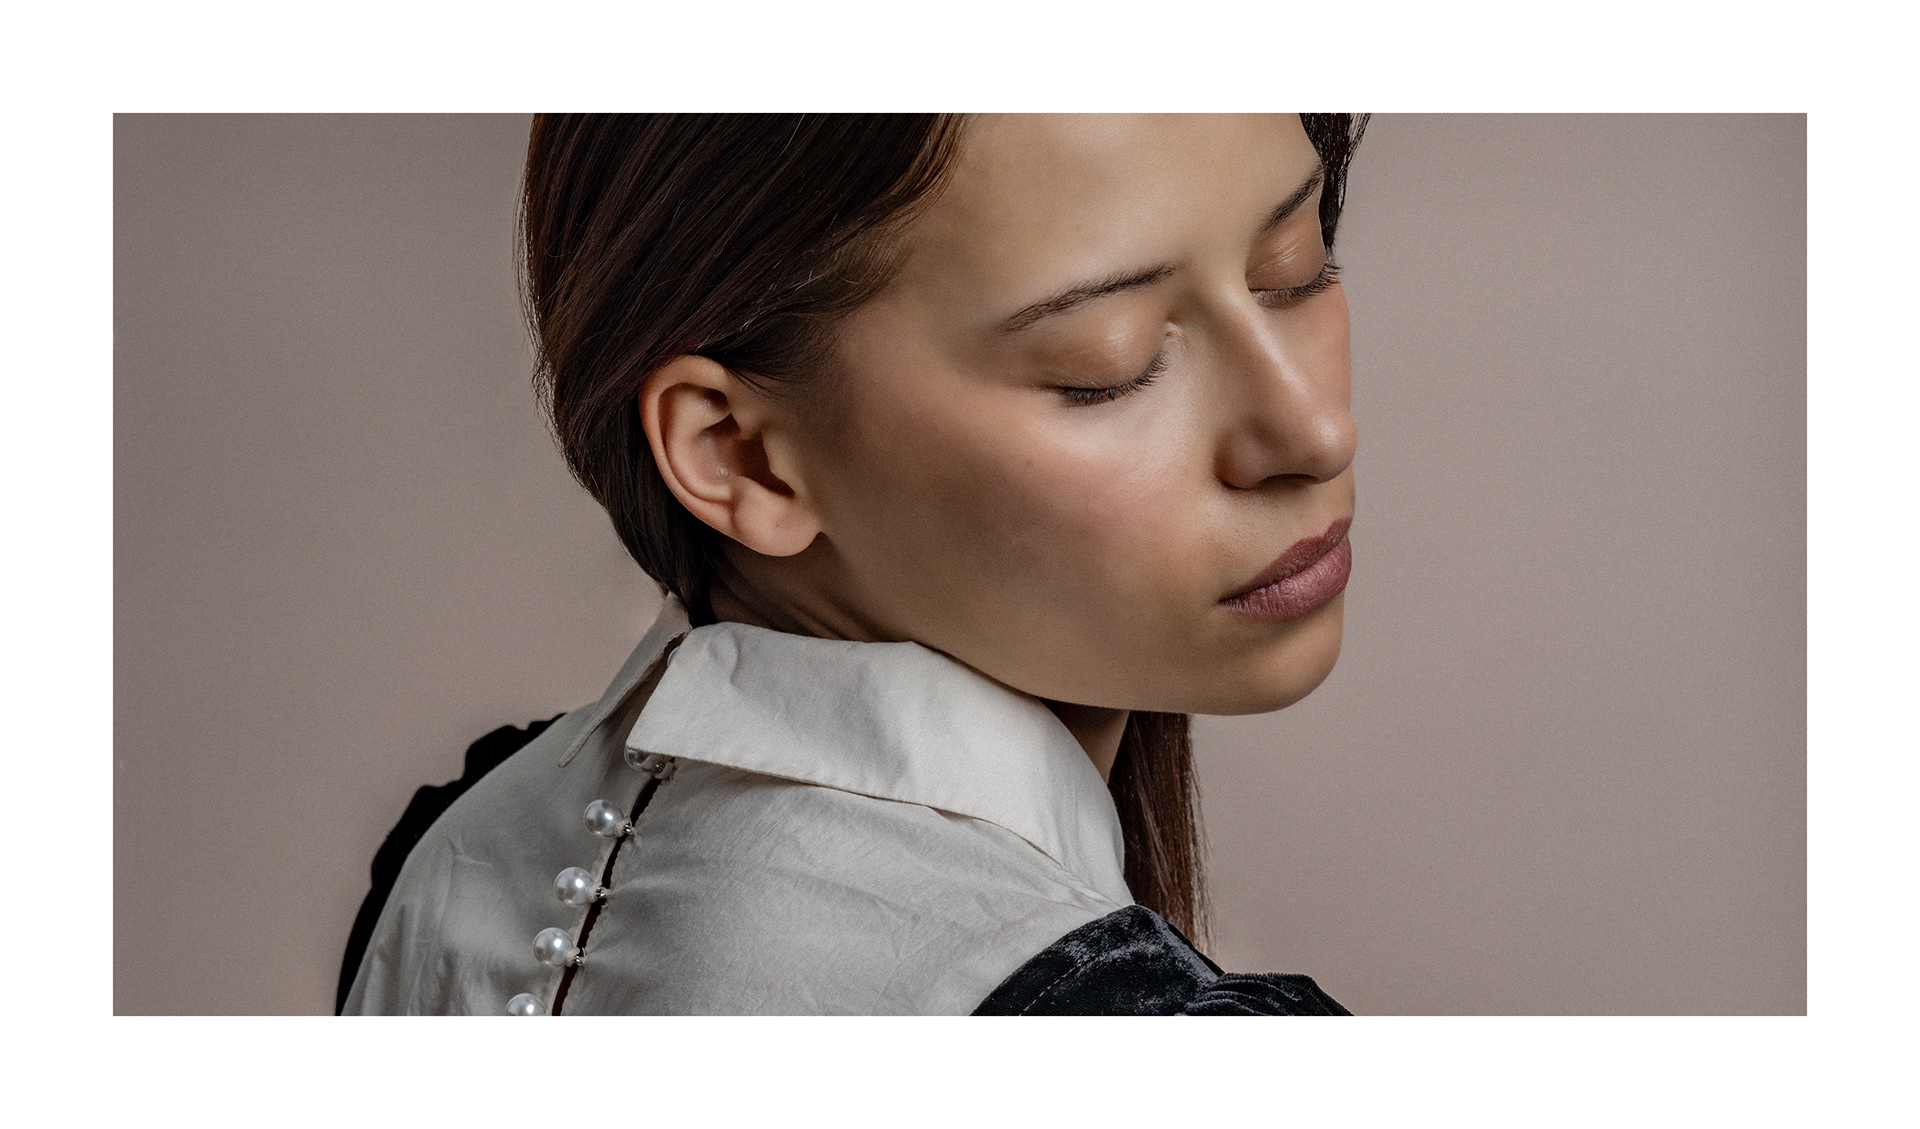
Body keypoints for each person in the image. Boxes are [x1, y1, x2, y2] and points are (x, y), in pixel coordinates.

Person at [339, 113, 1365, 1015]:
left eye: (1295, 268)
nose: (1314, 432)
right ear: (740, 454)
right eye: (1112, 363)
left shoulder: (459, 853)